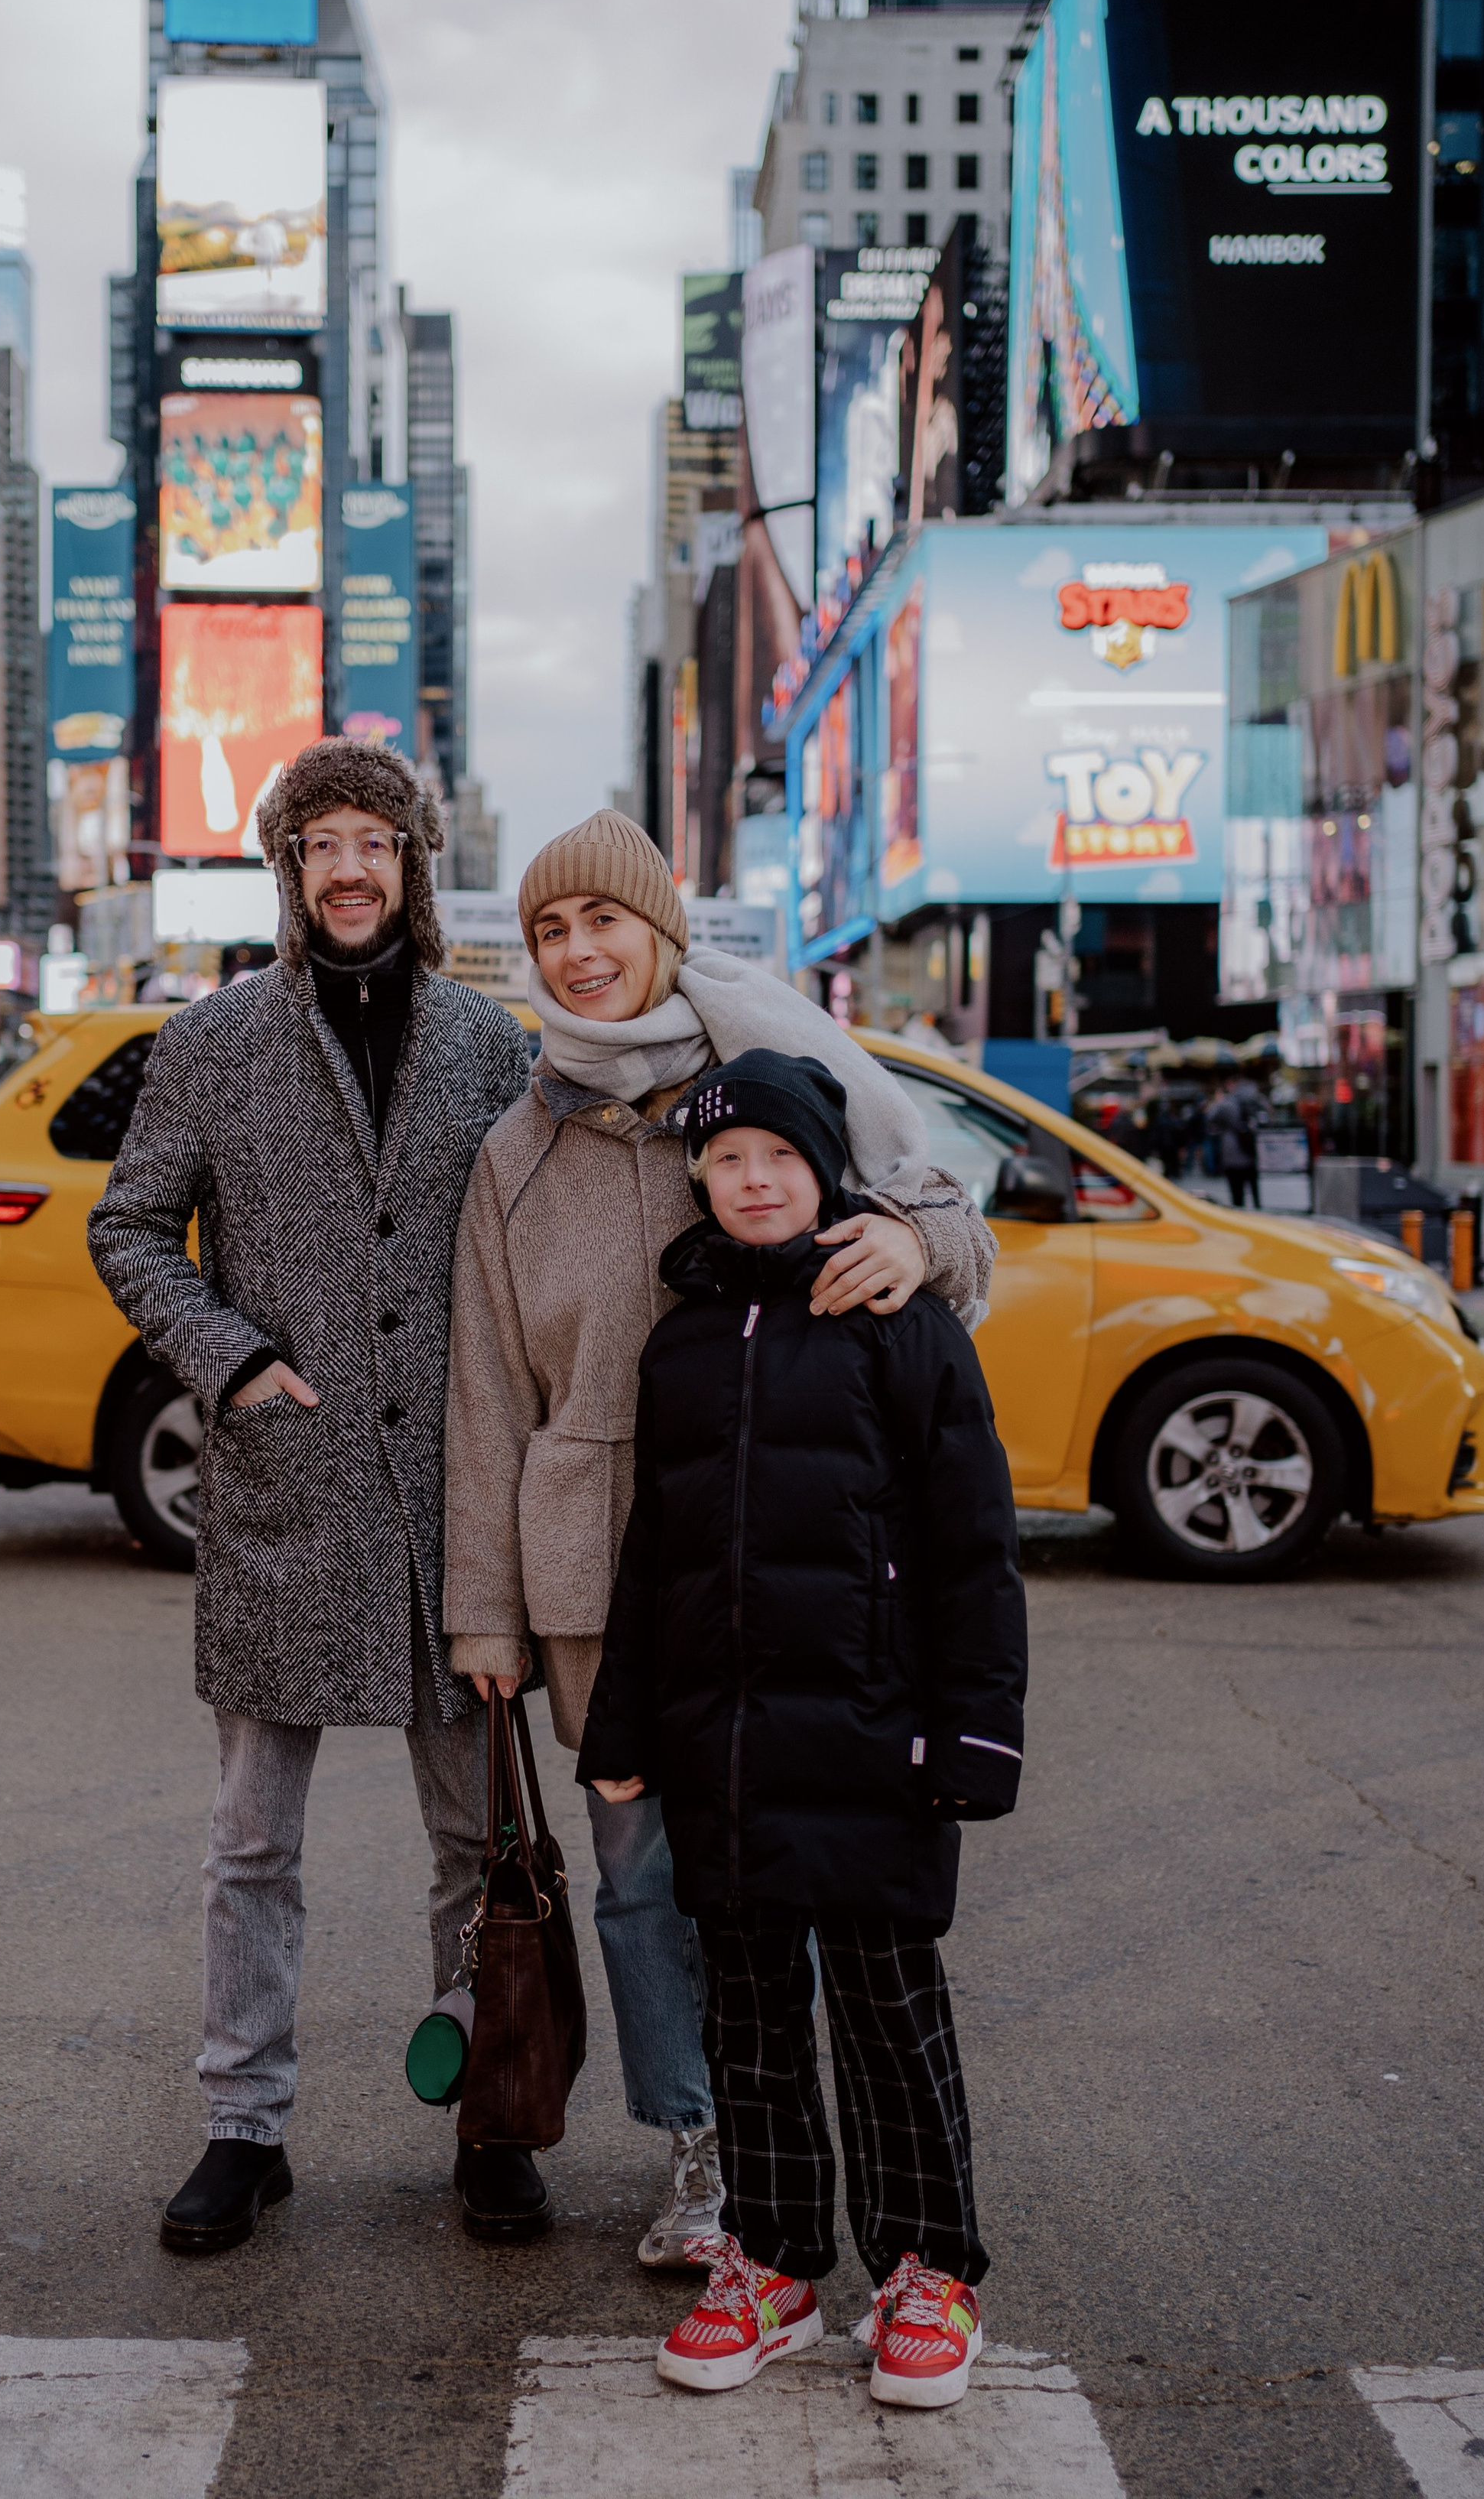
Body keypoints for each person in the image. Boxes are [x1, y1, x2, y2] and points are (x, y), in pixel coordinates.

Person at [443, 809, 995, 2269]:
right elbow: (488, 1391)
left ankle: (835, 2177)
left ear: (662, 932)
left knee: (807, 1875)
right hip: (590, 1571)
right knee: (643, 1880)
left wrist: (919, 1246)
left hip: (791, 1552)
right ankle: (702, 2148)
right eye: (553, 930)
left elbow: (958, 1226)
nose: (581, 953)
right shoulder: (518, 1146)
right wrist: (485, 1611)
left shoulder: (771, 1093)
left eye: (604, 923)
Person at [87, 738, 539, 2255]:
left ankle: (491, 2112)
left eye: (378, 840)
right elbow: (132, 1228)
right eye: (321, 842)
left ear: (411, 865)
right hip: (284, 1490)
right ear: (287, 871)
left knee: (476, 1849)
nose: (350, 867)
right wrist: (232, 1359)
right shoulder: (211, 1043)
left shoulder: (489, 1043)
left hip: (450, 1501)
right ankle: (241, 2126)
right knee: (250, 1843)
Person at [578, 1050, 1026, 2406]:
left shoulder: (904, 1320)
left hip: (878, 1741)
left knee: (893, 2017)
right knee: (754, 2021)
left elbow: (973, 1548)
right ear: (699, 1182)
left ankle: (927, 2269)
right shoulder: (686, 1340)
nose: (753, 1180)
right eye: (725, 1162)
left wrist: (978, 1736)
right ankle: (772, 2262)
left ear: (825, 1166)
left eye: (777, 1156)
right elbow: (656, 1553)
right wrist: (622, 1722)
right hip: (723, 1744)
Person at [1210, 1078, 1260, 1207]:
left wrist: (1218, 1101)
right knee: (1255, 1190)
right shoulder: (1255, 1101)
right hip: (1250, 1152)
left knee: (1236, 1195)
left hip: (1232, 1154)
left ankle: (1239, 1215)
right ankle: (1259, 1212)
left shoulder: (1227, 1104)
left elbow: (1211, 1117)